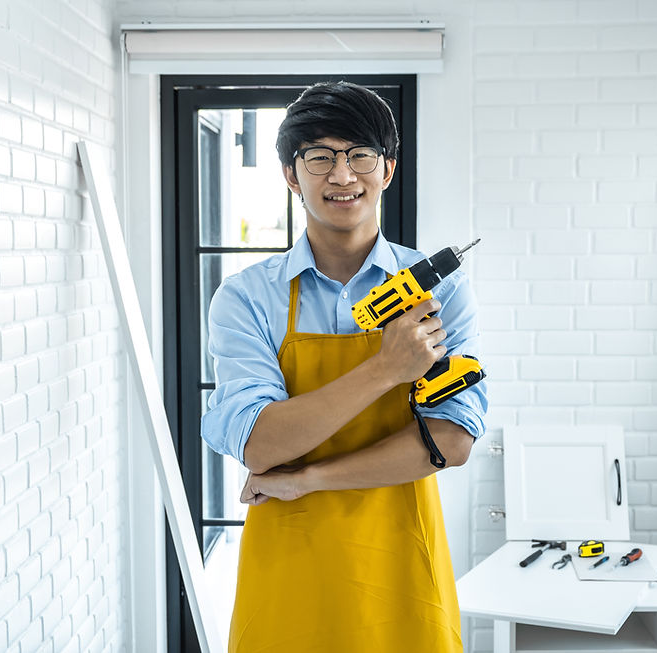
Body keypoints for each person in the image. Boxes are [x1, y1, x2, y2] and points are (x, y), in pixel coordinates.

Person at [201, 80, 488, 652]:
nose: (341, 175)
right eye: (320, 157)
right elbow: (259, 445)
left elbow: (452, 441)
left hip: (404, 564)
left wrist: (308, 479)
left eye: (360, 155)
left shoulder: (440, 292)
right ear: (291, 174)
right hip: (287, 568)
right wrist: (387, 369)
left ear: (387, 170)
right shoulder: (246, 298)